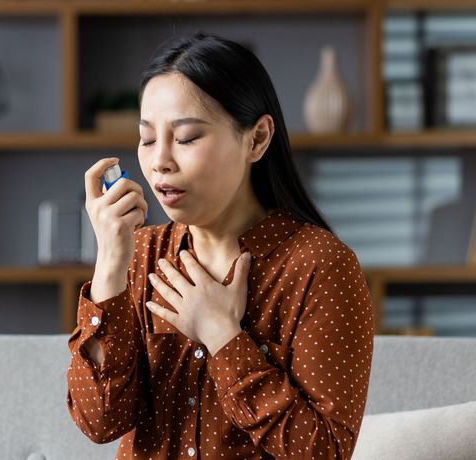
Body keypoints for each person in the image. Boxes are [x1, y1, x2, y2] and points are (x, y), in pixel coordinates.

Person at [66, 32, 375, 459]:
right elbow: (99, 422)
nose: (160, 162)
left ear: (257, 139)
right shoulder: (139, 255)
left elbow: (326, 451)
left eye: (187, 137)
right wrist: (109, 264)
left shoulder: (320, 266)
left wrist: (223, 336)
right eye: (148, 139)